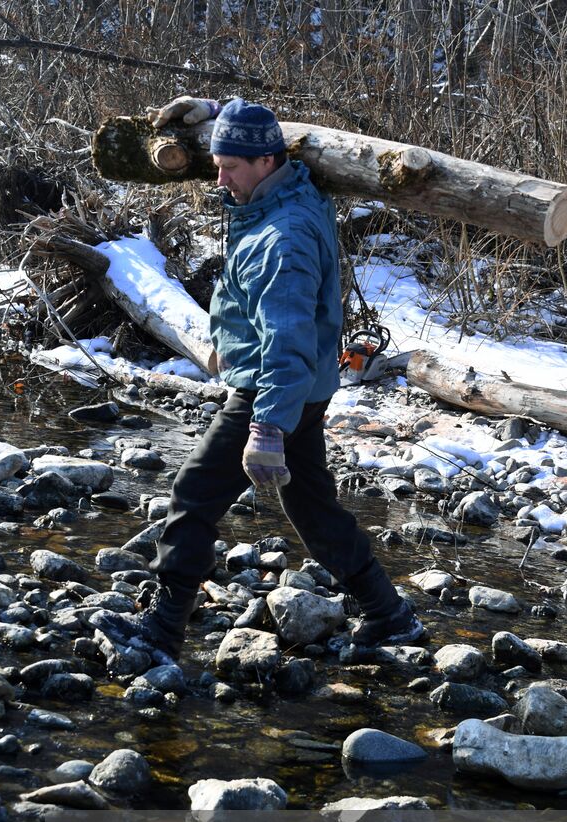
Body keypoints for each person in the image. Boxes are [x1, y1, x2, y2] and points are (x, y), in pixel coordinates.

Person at [122, 96, 423, 661]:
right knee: (311, 507)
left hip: (273, 389)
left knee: (195, 493)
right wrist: (217, 112)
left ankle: (163, 629)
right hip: (301, 390)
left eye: (230, 166)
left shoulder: (281, 239)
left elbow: (286, 341)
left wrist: (265, 426)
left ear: (265, 162)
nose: (219, 177)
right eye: (216, 162)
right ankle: (390, 615)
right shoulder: (288, 191)